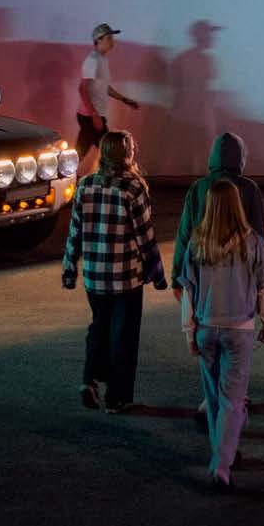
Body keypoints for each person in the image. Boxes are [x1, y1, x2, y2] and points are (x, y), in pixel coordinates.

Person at [177, 178, 264, 493]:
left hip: (206, 328)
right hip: (240, 330)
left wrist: (189, 333)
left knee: (214, 399)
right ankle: (222, 467)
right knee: (233, 401)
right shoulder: (253, 242)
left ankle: (222, 452)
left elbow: (188, 292)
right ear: (237, 206)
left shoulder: (197, 243)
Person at [61, 129, 167, 411]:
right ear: (128, 153)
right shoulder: (134, 187)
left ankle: (89, 380)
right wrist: (157, 274)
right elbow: (145, 236)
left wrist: (69, 269)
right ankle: (117, 398)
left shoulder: (85, 185)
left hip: (94, 275)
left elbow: (75, 232)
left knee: (99, 326)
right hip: (125, 277)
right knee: (124, 336)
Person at [172, 132, 264, 432]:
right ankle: (235, 398)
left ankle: (211, 400)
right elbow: (259, 234)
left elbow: (185, 233)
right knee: (237, 341)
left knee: (208, 337)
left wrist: (177, 276)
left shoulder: (198, 188)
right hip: (240, 280)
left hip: (205, 277)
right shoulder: (249, 189)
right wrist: (261, 283)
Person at [76, 24, 140, 179]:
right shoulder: (93, 60)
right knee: (107, 151)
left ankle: (78, 180)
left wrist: (124, 99)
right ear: (99, 40)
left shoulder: (102, 60)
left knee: (87, 151)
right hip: (90, 116)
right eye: (109, 38)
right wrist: (94, 115)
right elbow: (82, 89)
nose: (112, 41)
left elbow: (104, 87)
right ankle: (99, 181)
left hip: (93, 115)